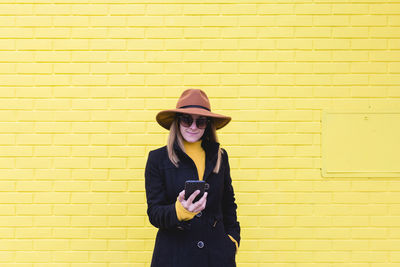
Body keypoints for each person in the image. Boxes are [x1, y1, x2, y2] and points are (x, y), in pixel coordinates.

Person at [144, 89, 241, 267]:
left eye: (201, 121)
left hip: (217, 255)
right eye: (187, 119)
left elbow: (228, 205)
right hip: (174, 255)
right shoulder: (158, 159)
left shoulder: (220, 156)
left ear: (208, 124)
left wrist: (232, 241)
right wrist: (180, 210)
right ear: (177, 122)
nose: (193, 127)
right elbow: (154, 213)